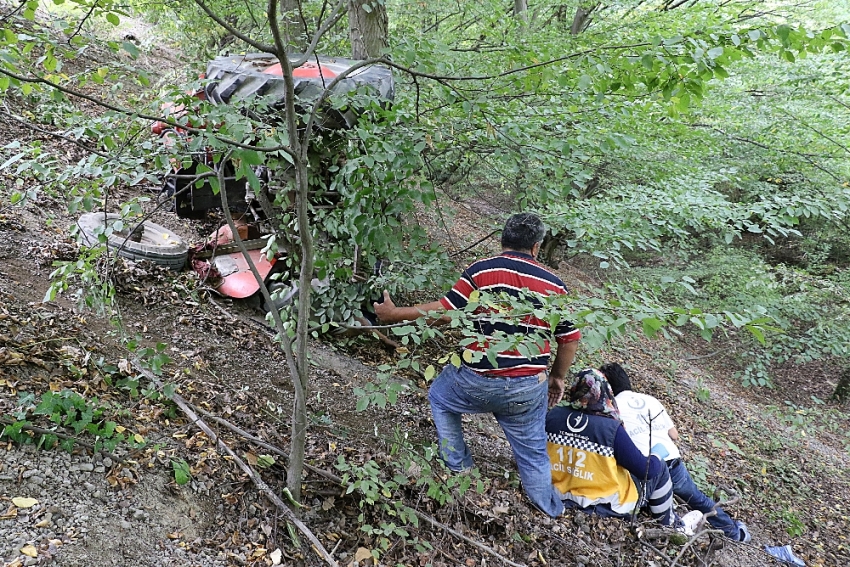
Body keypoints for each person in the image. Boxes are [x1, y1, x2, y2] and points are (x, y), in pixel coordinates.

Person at [373, 213, 581, 517]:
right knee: (534, 452)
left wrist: (394, 314)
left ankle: (460, 470)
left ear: (502, 241)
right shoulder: (555, 286)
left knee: (441, 397)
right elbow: (569, 339)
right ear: (536, 247)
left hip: (477, 380)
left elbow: (445, 312)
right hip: (528, 386)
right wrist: (557, 377)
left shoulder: (482, 271)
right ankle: (550, 509)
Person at [600, 362, 751, 542]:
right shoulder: (651, 400)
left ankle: (670, 521)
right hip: (671, 459)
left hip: (645, 466)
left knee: (648, 495)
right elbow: (674, 434)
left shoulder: (611, 406)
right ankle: (735, 533)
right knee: (698, 499)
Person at [546, 368, 687, 528]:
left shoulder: (553, 416)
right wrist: (656, 453)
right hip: (604, 504)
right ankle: (672, 525)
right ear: (605, 392)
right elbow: (646, 471)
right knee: (659, 467)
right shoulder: (611, 428)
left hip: (557, 493)